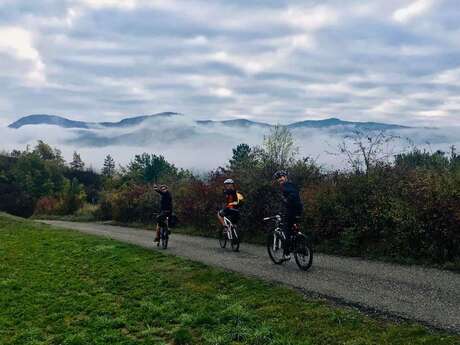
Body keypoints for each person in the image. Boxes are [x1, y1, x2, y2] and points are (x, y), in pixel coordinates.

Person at [273, 170, 303, 260]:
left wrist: (287, 201)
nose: (280, 179)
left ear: (286, 177)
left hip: (291, 211)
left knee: (286, 232)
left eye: (281, 176)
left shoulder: (285, 186)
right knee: (293, 228)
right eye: (278, 178)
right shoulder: (292, 184)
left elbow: (289, 199)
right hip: (298, 210)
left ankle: (286, 254)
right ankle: (299, 241)